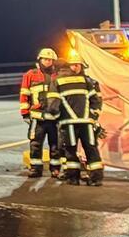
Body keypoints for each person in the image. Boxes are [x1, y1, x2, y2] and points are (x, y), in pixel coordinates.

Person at [48, 58, 105, 185]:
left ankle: (73, 178)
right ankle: (96, 178)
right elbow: (95, 100)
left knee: (70, 149)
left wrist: (57, 117)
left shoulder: (57, 81)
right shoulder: (85, 80)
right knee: (91, 148)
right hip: (86, 122)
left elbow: (53, 104)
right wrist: (93, 116)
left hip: (68, 123)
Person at [18, 47, 62, 178]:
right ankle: (35, 169)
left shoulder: (58, 75)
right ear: (40, 59)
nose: (48, 62)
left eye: (50, 60)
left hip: (54, 117)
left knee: (55, 145)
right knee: (36, 144)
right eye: (45, 59)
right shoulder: (30, 75)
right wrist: (25, 113)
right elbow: (24, 94)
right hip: (38, 117)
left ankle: (55, 169)